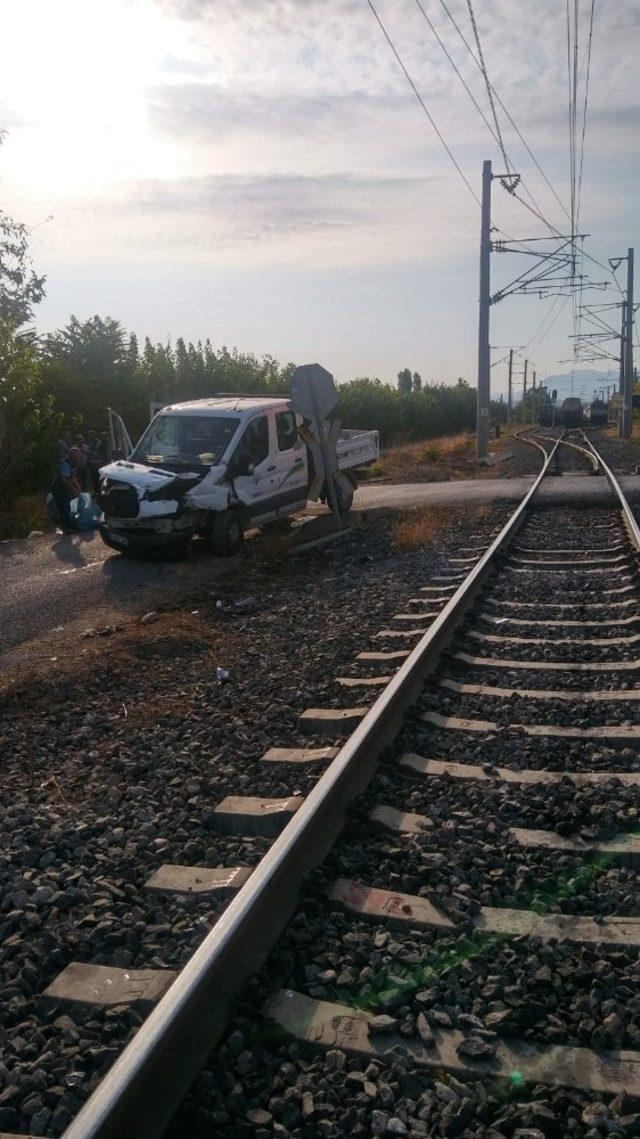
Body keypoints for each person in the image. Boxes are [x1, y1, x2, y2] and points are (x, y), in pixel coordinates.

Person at [51, 446, 82, 533]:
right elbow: (64, 480)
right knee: (64, 507)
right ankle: (66, 528)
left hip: (64, 488)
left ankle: (67, 525)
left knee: (67, 506)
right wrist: (74, 490)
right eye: (77, 456)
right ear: (71, 455)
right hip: (58, 488)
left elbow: (72, 476)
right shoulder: (65, 464)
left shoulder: (72, 463)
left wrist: (78, 486)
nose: (78, 458)